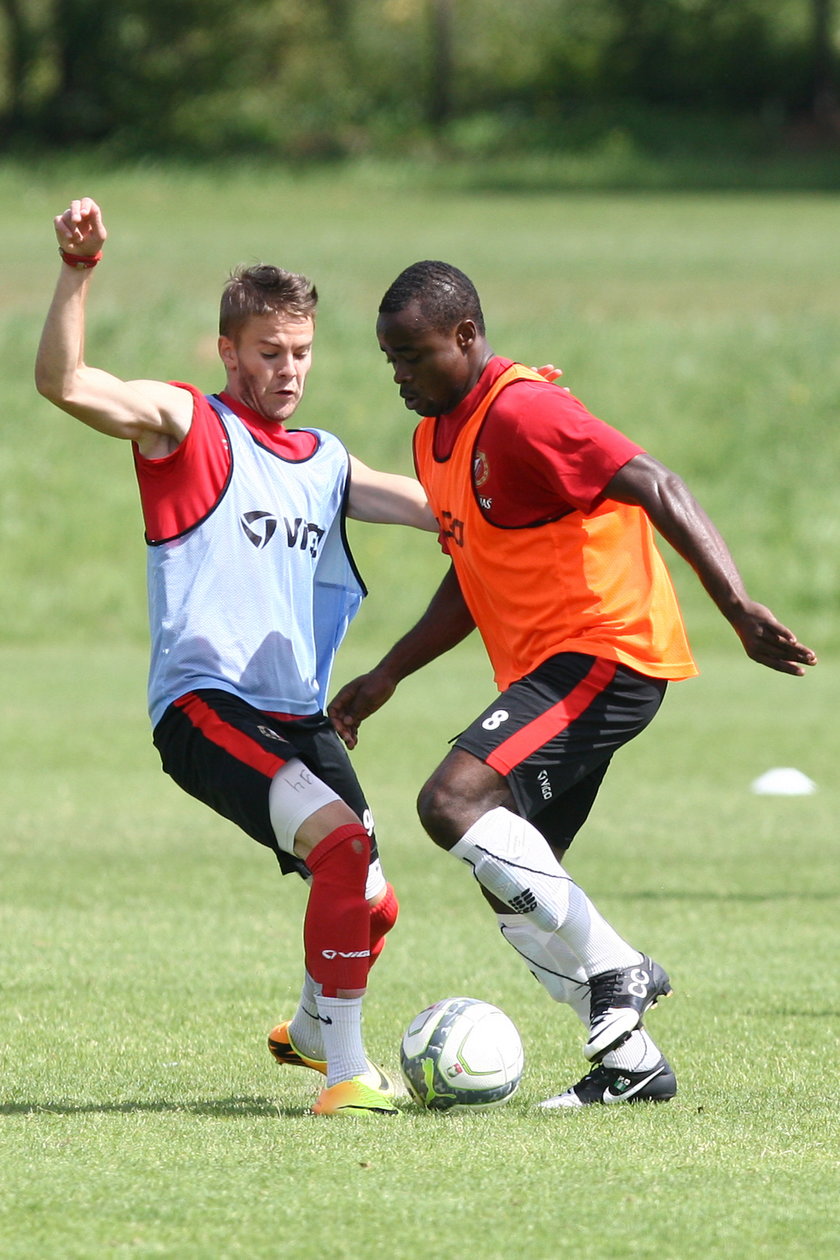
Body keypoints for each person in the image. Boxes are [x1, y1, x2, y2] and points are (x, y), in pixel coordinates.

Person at [329, 259, 817, 1108]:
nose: (401, 375)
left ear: (467, 337)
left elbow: (656, 482)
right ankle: (631, 1061)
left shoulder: (524, 412)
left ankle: (623, 970)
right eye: (390, 360)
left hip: (604, 651)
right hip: (553, 664)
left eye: (413, 355)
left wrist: (736, 607)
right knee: (515, 874)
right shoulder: (434, 437)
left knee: (451, 803)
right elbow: (471, 569)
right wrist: (388, 675)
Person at [35, 198, 439, 1119]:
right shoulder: (185, 424)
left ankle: (305, 1028)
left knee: (374, 904)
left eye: (300, 351)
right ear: (227, 350)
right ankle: (345, 1072)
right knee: (340, 850)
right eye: (268, 352)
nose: (287, 369)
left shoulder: (325, 459)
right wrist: (78, 271)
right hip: (205, 708)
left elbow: (435, 505)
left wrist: (516, 430)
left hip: (297, 717)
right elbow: (65, 382)